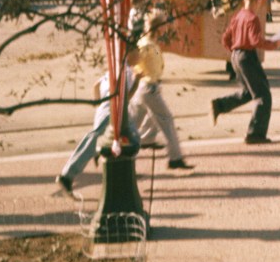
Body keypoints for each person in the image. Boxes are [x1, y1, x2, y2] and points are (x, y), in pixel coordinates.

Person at [211, 0, 280, 144]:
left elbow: (225, 38)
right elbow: (255, 40)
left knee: (247, 92)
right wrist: (274, 44)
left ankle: (220, 105)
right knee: (263, 95)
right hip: (247, 57)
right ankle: (255, 133)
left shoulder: (238, 15)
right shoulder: (252, 18)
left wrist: (234, 50)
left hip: (236, 57)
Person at [57, 65, 139, 194]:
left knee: (108, 137)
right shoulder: (128, 73)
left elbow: (96, 85)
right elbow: (126, 98)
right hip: (111, 111)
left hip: (104, 108)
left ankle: (118, 169)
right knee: (128, 138)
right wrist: (138, 80)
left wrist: (98, 105)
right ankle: (67, 175)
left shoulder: (114, 69)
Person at [129, 11, 192, 171]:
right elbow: (133, 61)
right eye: (165, 25)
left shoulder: (149, 43)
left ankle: (141, 144)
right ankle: (175, 157)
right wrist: (137, 72)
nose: (167, 29)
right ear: (159, 28)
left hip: (147, 87)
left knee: (133, 125)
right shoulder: (147, 45)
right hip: (149, 88)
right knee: (167, 120)